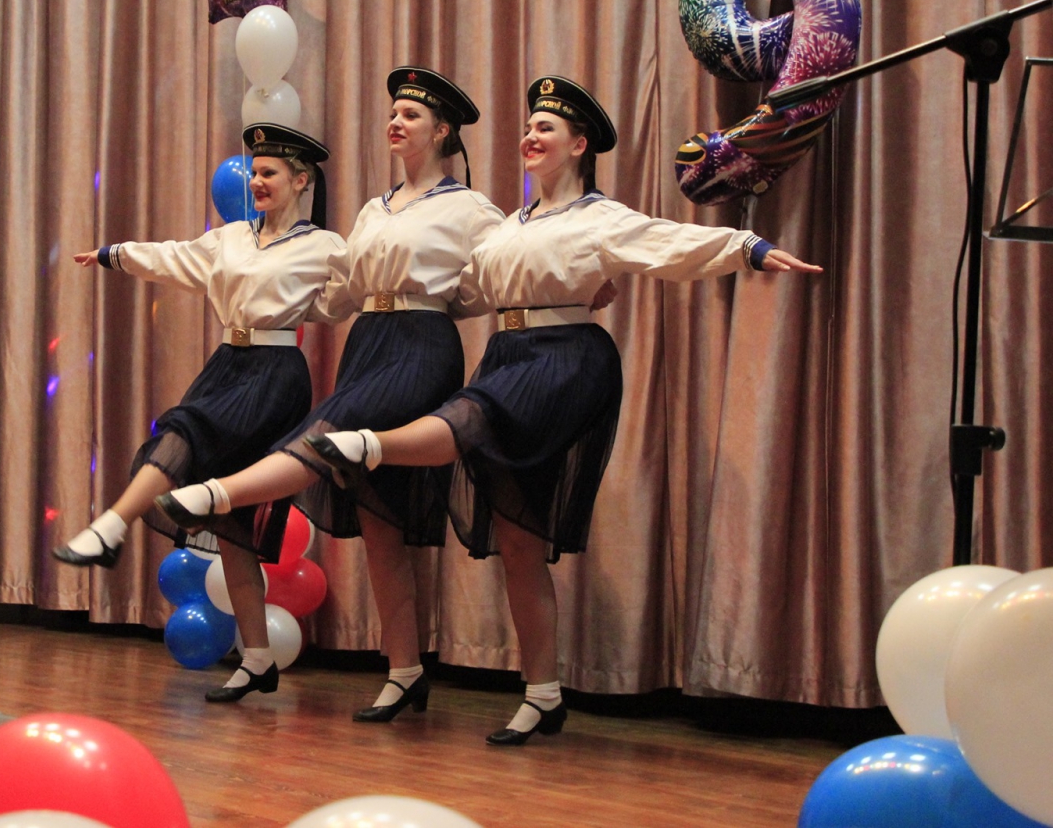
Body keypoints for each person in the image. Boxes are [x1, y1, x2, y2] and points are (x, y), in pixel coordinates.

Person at [304, 75, 821, 745]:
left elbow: (664, 242)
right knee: (519, 540)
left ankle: (369, 444)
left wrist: (746, 248)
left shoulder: (598, 217)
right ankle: (543, 695)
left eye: (545, 128)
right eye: (528, 126)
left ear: (578, 145)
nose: (530, 135)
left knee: (471, 416)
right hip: (508, 353)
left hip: (565, 356)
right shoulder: (507, 228)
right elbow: (465, 290)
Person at [155, 67, 509, 721]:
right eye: (393, 112)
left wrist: (447, 304)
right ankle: (405, 672)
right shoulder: (375, 209)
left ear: (442, 131)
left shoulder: (470, 207)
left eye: (410, 114)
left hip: (420, 346)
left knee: (328, 437)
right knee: (380, 521)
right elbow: (339, 294)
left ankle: (218, 494)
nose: (395, 121)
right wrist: (272, 298)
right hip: (368, 342)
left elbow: (502, 267)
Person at [55, 121, 345, 702]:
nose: (257, 181)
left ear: (301, 180)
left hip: (275, 373)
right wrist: (114, 255)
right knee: (234, 526)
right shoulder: (231, 238)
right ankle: (258, 659)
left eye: (270, 173)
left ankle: (111, 526)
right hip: (227, 365)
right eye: (254, 172)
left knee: (184, 430)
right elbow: (175, 258)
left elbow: (349, 294)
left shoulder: (325, 246)